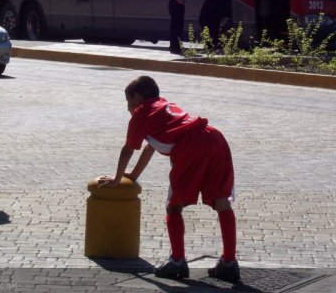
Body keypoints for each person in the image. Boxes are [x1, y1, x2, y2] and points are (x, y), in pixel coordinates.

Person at [99, 76, 240, 282]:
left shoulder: (141, 114)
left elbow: (128, 149)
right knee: (221, 200)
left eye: (128, 101)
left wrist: (117, 178)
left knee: (174, 205)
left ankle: (177, 261)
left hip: (190, 145)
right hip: (214, 137)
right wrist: (133, 175)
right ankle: (229, 263)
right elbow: (150, 146)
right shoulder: (164, 106)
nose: (127, 107)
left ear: (138, 98)